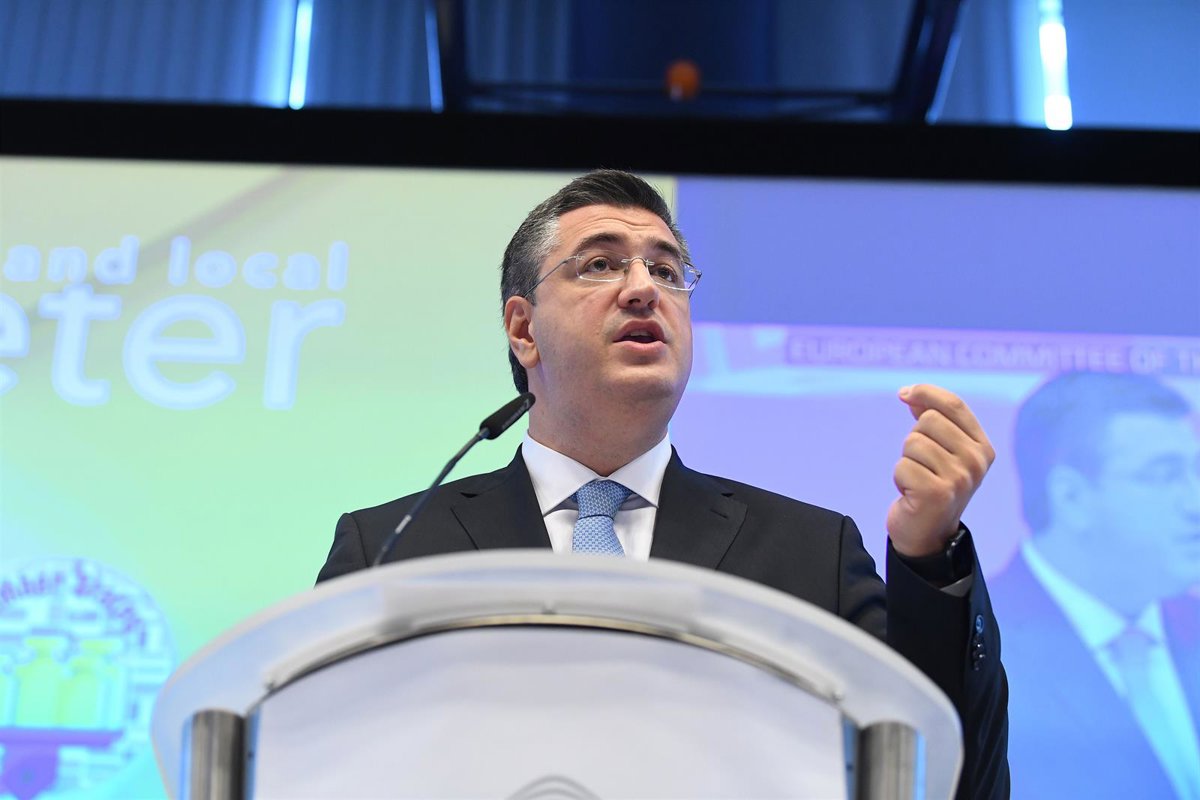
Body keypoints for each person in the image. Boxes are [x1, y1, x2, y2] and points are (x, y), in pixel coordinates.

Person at [318, 170, 1009, 799]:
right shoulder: (393, 550)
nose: (644, 287)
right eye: (600, 264)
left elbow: (945, 779)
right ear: (523, 330)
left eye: (667, 270)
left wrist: (928, 556)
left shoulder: (809, 553)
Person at [990, 371, 1200, 799]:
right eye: (1164, 476)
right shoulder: (975, 639)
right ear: (1071, 497)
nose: (1194, 502)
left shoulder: (1191, 622)